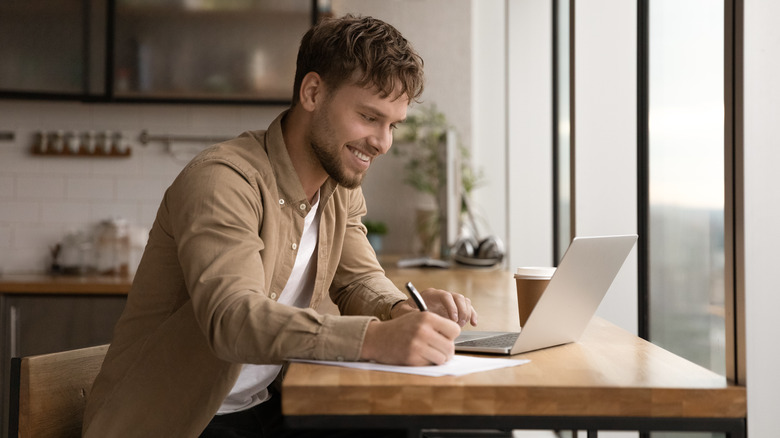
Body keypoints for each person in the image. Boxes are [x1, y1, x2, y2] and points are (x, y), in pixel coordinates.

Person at [82, 14, 477, 438]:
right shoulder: (223, 180)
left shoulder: (339, 186)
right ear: (312, 93)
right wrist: (376, 339)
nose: (383, 143)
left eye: (392, 125)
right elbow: (232, 318)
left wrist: (402, 311)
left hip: (266, 406)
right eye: (368, 117)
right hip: (179, 424)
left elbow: (358, 280)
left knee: (398, 427)